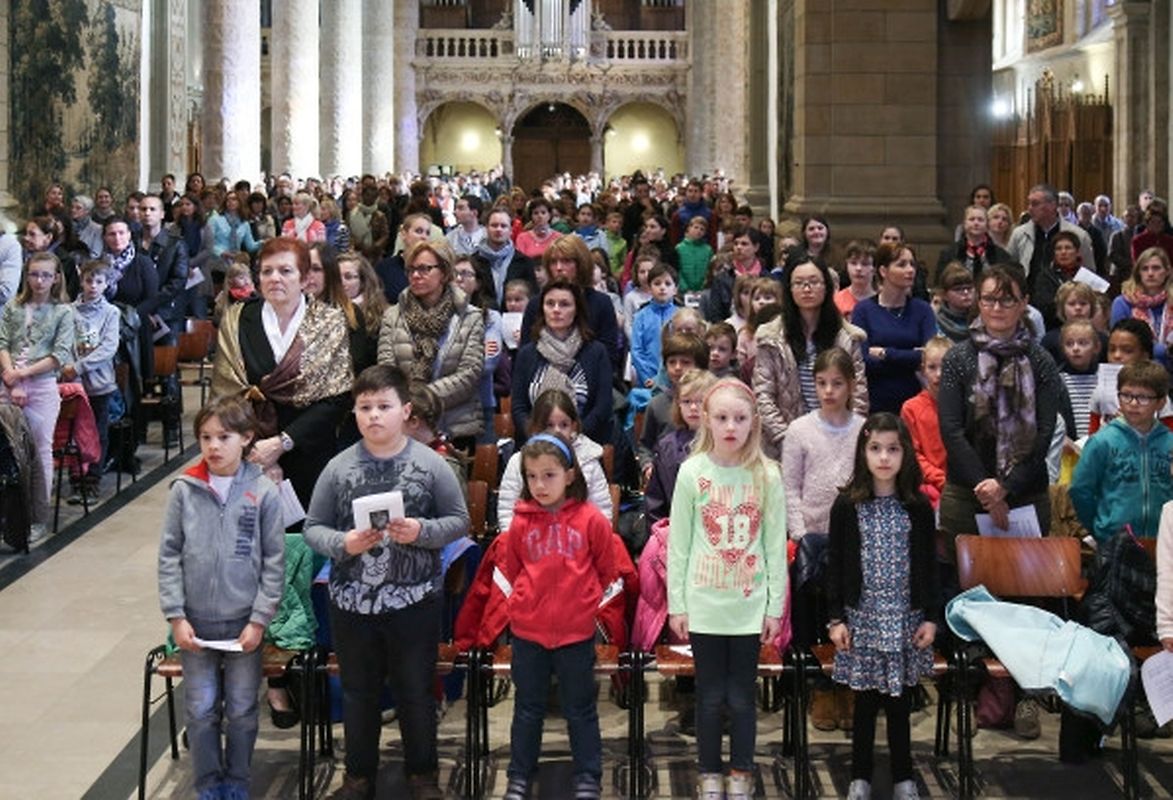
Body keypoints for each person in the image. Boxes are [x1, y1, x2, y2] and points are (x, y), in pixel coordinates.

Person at [304, 364, 468, 800]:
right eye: (364, 407)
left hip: (414, 602)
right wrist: (345, 543)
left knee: (415, 690)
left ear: (405, 411)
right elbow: (313, 527)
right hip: (352, 602)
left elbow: (459, 521)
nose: (374, 415)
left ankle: (422, 774)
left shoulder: (431, 464)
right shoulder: (338, 468)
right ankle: (358, 776)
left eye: (383, 406)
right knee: (359, 693)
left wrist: (422, 532)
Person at [157, 397, 284, 800]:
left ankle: (238, 780)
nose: (213, 446)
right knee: (200, 708)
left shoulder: (262, 492)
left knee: (243, 710)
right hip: (196, 623)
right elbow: (169, 555)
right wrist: (176, 616)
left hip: (244, 624)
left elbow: (274, 564)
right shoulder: (185, 489)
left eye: (223, 437)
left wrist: (259, 620)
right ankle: (209, 783)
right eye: (205, 437)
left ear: (247, 438)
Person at [667, 378, 787, 800]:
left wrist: (775, 608)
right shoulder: (692, 472)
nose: (730, 426)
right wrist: (676, 605)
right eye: (721, 418)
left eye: (739, 418)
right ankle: (709, 772)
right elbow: (678, 545)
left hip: (748, 606)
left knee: (740, 697)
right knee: (709, 696)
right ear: (707, 421)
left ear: (754, 422)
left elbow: (774, 545)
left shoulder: (767, 474)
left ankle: (741, 771)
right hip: (704, 604)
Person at [826, 413, 938, 800]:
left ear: (905, 453)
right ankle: (861, 777)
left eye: (893, 449)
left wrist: (931, 618)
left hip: (905, 617)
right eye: (875, 448)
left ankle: (904, 778)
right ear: (863, 452)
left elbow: (928, 565)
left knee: (899, 703)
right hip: (863, 618)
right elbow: (837, 564)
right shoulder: (847, 505)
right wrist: (836, 618)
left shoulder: (918, 507)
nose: (884, 458)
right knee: (865, 704)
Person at [498, 432, 615, 800]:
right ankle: (519, 773)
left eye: (549, 475)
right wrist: (523, 603)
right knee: (527, 709)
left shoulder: (591, 519)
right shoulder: (520, 523)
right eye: (531, 476)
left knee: (580, 709)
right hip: (529, 633)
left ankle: (587, 776)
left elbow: (607, 569)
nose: (539, 484)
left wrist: (584, 603)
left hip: (576, 632)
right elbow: (511, 570)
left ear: (569, 475)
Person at [211, 237, 354, 508]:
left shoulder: (329, 321)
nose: (275, 278)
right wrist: (258, 449)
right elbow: (225, 391)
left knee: (307, 542)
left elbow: (337, 397)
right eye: (267, 271)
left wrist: (282, 443)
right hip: (249, 451)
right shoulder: (239, 319)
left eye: (285, 271)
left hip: (308, 450)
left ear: (303, 279)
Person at [938, 263, 1061, 558]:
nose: (997, 307)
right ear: (978, 302)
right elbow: (951, 430)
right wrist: (989, 492)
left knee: (1024, 592)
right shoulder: (958, 358)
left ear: (1024, 303)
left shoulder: (1041, 360)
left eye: (1007, 300)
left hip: (1026, 492)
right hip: (967, 492)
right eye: (989, 299)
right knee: (965, 593)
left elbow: (1044, 432)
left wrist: (1006, 487)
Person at [377, 240, 485, 451]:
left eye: (425, 269)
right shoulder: (393, 315)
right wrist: (412, 407)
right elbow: (387, 369)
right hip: (405, 425)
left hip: (455, 426)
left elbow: (470, 374)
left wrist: (422, 399)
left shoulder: (470, 316)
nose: (416, 275)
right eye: (411, 269)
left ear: (444, 273)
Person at [755, 259, 869, 459]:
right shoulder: (770, 337)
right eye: (799, 283)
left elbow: (858, 393)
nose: (806, 289)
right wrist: (788, 439)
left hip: (837, 442)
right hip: (785, 444)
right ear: (789, 289)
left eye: (814, 282)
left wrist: (846, 437)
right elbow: (763, 396)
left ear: (827, 287)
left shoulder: (846, 337)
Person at [0, 252, 75, 543]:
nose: (39, 281)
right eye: (34, 274)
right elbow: (2, 342)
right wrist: (9, 374)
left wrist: (22, 374)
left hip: (41, 384)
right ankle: (9, 514)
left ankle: (38, 517)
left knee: (40, 450)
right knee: (7, 449)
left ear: (56, 277)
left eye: (45, 275)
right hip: (8, 381)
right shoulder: (12, 307)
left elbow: (60, 355)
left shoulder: (63, 312)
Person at [1071, 360, 1173, 544]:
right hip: (1115, 542)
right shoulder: (1102, 442)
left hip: (1163, 541)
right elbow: (1080, 490)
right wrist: (1100, 529)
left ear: (1161, 402)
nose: (1133, 403)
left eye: (1143, 398)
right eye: (1126, 395)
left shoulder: (1169, 443)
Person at [511, 279, 613, 446]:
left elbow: (602, 407)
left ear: (577, 310)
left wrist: (572, 437)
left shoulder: (595, 352)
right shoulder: (527, 354)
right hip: (534, 446)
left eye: (564, 304)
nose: (556, 310)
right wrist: (538, 436)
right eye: (550, 304)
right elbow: (519, 407)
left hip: (584, 445)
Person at [497, 386, 611, 529]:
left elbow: (603, 512)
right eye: (549, 425)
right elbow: (507, 512)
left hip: (579, 544)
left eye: (564, 425)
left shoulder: (588, 461)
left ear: (573, 426)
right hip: (529, 542)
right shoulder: (518, 461)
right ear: (535, 427)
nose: (557, 431)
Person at [519, 234, 624, 375]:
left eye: (566, 261)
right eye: (553, 262)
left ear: (581, 264)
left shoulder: (601, 303)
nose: (558, 268)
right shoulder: (536, 304)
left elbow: (608, 357)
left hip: (592, 380)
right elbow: (526, 356)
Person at [852, 244, 937, 414]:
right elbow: (864, 361)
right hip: (875, 402)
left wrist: (886, 354)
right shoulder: (864, 310)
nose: (910, 270)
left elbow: (929, 357)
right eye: (902, 264)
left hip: (915, 401)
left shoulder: (922, 309)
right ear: (883, 271)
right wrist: (909, 357)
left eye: (912, 264)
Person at [61, 261, 120, 502]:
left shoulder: (111, 313)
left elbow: (108, 347)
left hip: (99, 383)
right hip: (74, 384)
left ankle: (92, 478)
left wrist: (79, 366)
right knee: (73, 431)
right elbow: (63, 341)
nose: (93, 286)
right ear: (81, 281)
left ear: (107, 284)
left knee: (97, 430)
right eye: (88, 281)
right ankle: (76, 478)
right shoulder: (68, 311)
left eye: (99, 282)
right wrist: (69, 367)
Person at [645, 368, 716, 523]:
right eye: (687, 401)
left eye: (700, 401)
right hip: (676, 527)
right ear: (678, 404)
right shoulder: (667, 447)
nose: (693, 408)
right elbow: (655, 501)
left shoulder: (723, 444)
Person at [900, 336, 952, 505]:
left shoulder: (965, 405)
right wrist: (940, 480)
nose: (939, 374)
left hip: (961, 487)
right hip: (927, 487)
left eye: (945, 367)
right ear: (923, 370)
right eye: (932, 367)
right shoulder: (911, 408)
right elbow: (913, 454)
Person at [1006, 184, 1095, 280]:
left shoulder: (1079, 235)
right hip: (1029, 292)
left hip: (1064, 291)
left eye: (1035, 204)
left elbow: (1088, 272)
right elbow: (1008, 268)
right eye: (1029, 203)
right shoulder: (1020, 234)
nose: (1029, 208)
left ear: (1053, 205)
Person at [1110, 247, 1173, 365]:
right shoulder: (1123, 303)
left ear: (1167, 271)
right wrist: (1162, 350)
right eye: (1145, 269)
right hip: (1135, 370)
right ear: (1138, 273)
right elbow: (1119, 342)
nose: (1150, 273)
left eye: (1156, 268)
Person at [937, 205, 1014, 285]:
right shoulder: (949, 254)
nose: (976, 223)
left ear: (987, 225)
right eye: (971, 219)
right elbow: (940, 283)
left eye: (980, 220)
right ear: (964, 224)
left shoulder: (1001, 255)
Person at [834, 240, 877, 319]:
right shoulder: (836, 301)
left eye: (865, 264)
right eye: (853, 263)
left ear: (874, 269)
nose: (858, 268)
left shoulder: (883, 302)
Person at [934, 262, 976, 343]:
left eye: (969, 288)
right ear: (944, 295)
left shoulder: (982, 319)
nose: (966, 292)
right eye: (958, 289)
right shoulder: (934, 323)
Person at [676, 216, 714, 293]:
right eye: (696, 227)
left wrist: (704, 287)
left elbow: (710, 270)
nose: (698, 231)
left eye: (702, 229)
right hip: (683, 291)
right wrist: (685, 288)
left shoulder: (708, 250)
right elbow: (677, 270)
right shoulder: (679, 248)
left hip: (702, 291)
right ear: (689, 228)